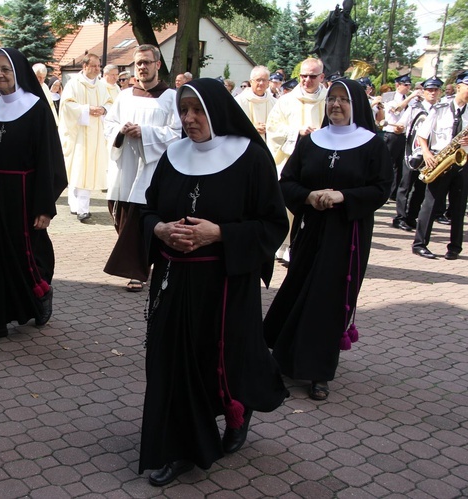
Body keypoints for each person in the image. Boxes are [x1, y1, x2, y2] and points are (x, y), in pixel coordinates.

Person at [139, 78, 289, 486]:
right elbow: (148, 211)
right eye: (184, 110)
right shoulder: (172, 156)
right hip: (173, 280)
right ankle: (182, 447)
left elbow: (273, 223)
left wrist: (219, 233)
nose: (189, 118)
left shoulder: (252, 160)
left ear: (217, 111)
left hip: (224, 284)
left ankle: (238, 409)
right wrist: (160, 231)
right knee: (172, 361)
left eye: (198, 110)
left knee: (222, 361)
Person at [263, 78, 392, 401]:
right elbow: (287, 182)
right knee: (298, 288)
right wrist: (309, 197)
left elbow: (381, 189)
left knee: (329, 298)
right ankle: (282, 356)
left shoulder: (372, 144)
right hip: (311, 229)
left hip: (348, 235)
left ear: (356, 105)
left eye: (343, 100)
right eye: (331, 99)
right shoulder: (312, 141)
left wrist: (342, 197)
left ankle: (318, 371)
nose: (335, 104)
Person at [0, 48, 67, 347]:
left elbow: (49, 161)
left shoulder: (36, 109)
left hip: (23, 195)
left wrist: (44, 206)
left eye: (5, 69)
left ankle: (41, 293)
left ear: (18, 71)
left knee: (26, 257)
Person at [103, 44, 181, 292]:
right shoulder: (124, 96)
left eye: (147, 62)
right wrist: (120, 131)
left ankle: (137, 271)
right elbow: (109, 124)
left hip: (151, 170)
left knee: (139, 221)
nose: (142, 67)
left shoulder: (171, 97)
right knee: (122, 218)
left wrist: (145, 133)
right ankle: (137, 265)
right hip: (124, 167)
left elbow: (177, 133)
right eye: (138, 63)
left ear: (158, 65)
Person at [266, 58, 327, 264]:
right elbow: (273, 130)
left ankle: (311, 244)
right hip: (291, 161)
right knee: (288, 204)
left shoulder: (329, 100)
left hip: (321, 163)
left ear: (321, 77)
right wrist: (297, 132)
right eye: (303, 75)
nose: (306, 80)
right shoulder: (286, 101)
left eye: (312, 76)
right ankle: (284, 246)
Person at [411, 70, 468, 260]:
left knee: (458, 207)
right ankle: (420, 244)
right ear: (459, 87)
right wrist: (427, 153)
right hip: (440, 160)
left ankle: (455, 247)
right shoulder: (440, 108)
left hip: (463, 162)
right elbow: (422, 134)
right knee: (431, 203)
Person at [59, 53, 113, 221]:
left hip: (96, 136)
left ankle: (78, 206)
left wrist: (104, 110)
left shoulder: (102, 86)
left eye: (99, 66)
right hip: (79, 136)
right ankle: (79, 207)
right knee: (80, 170)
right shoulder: (74, 84)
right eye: (95, 66)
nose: (98, 69)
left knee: (86, 171)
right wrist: (86, 110)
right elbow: (66, 105)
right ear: (85, 66)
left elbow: (110, 103)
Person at [392, 76, 443, 232]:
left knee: (421, 186)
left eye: (435, 90)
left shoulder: (443, 109)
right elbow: (403, 123)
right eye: (429, 90)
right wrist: (399, 127)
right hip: (412, 152)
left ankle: (411, 217)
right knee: (405, 185)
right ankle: (400, 217)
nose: (432, 93)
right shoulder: (415, 107)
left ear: (440, 92)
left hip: (431, 154)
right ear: (424, 91)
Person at [382, 74, 422, 199]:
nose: (408, 87)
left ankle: (393, 193)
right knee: (387, 164)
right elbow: (396, 110)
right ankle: (383, 189)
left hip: (404, 135)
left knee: (399, 166)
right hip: (391, 134)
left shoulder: (410, 99)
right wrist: (411, 96)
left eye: (410, 85)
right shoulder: (390, 97)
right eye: (406, 85)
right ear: (397, 85)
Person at [235, 65, 276, 142]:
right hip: (246, 145)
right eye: (258, 80)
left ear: (268, 82)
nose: (261, 83)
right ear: (251, 82)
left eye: (264, 80)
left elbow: (280, 125)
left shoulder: (275, 102)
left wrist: (269, 128)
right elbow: (233, 124)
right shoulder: (239, 101)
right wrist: (251, 129)